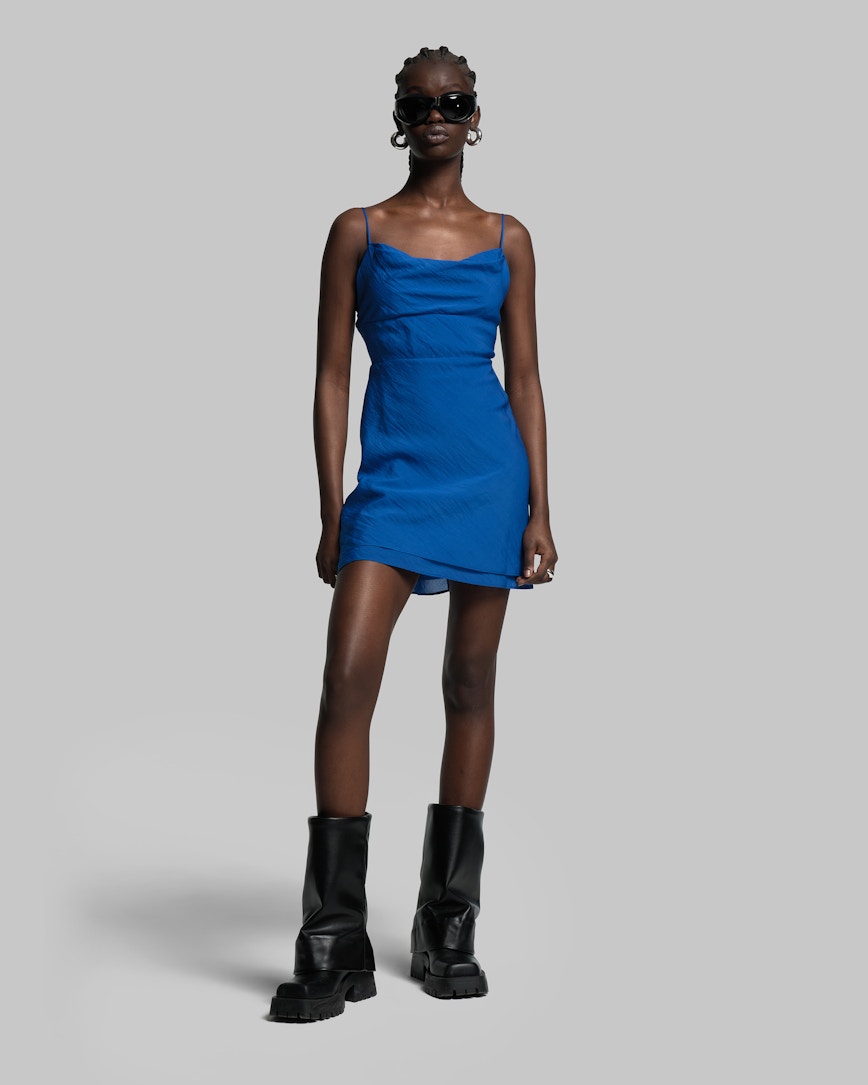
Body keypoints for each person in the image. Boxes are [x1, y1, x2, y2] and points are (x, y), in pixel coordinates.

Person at [269, 45, 558, 1022]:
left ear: (476, 116)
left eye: (454, 101)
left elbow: (525, 378)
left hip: (488, 481)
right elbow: (329, 376)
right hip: (391, 486)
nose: (437, 114)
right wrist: (331, 509)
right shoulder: (357, 230)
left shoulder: (508, 237)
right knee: (346, 678)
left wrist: (541, 507)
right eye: (420, 102)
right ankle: (332, 937)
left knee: (469, 684)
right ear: (398, 116)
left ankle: (447, 925)